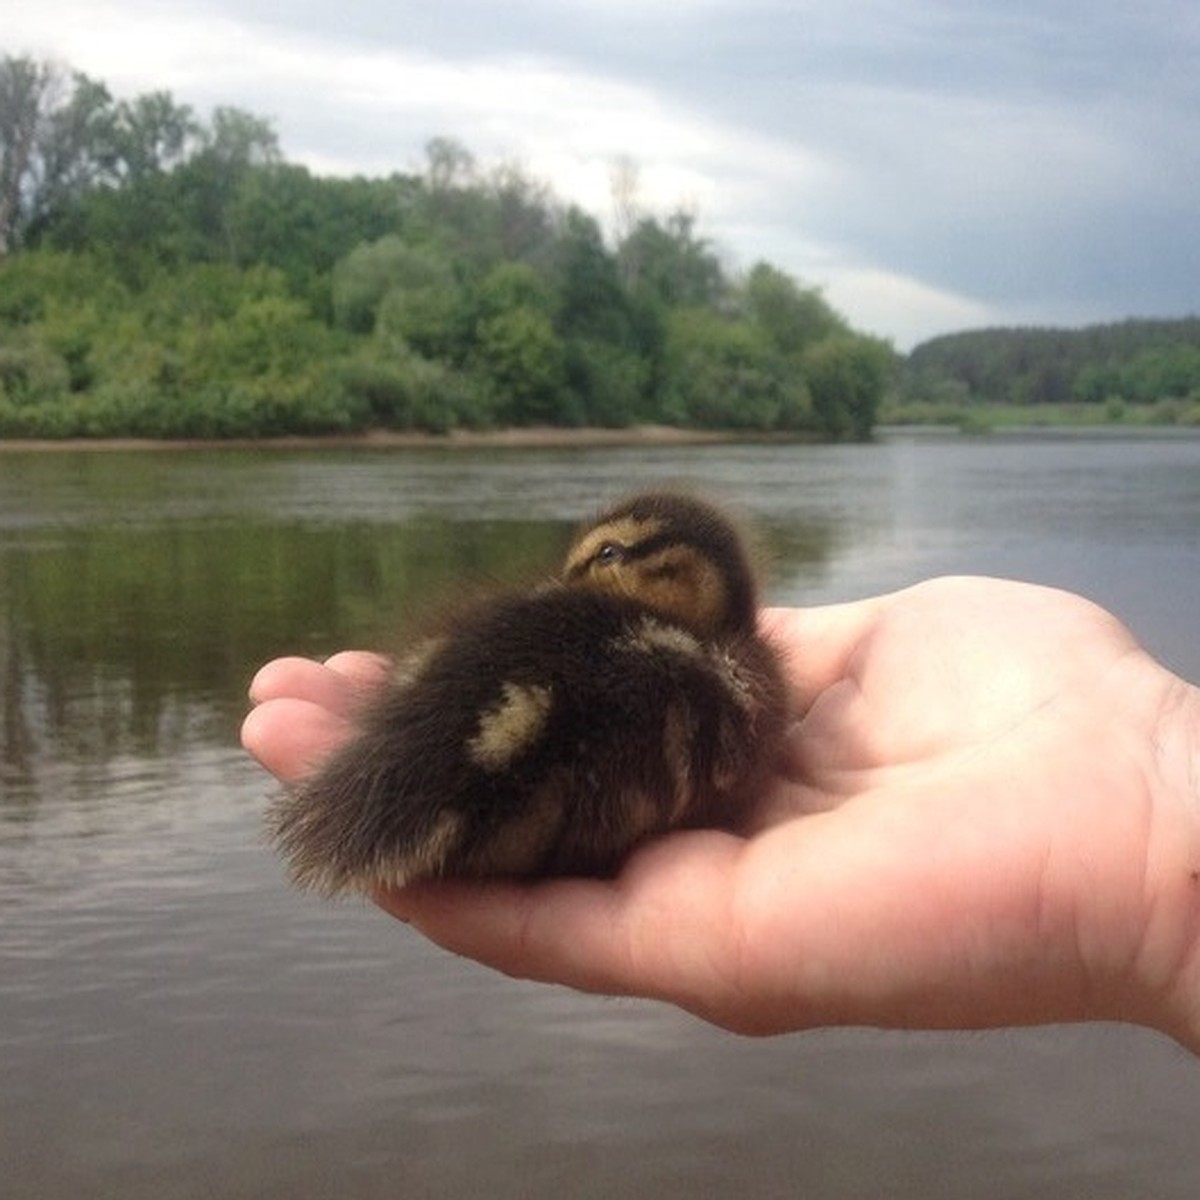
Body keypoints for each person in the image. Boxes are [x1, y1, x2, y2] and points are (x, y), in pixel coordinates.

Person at [241, 576, 1200, 1053]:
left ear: (698, 578)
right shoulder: (724, 695)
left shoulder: (693, 683)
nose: (584, 582)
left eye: (611, 562)